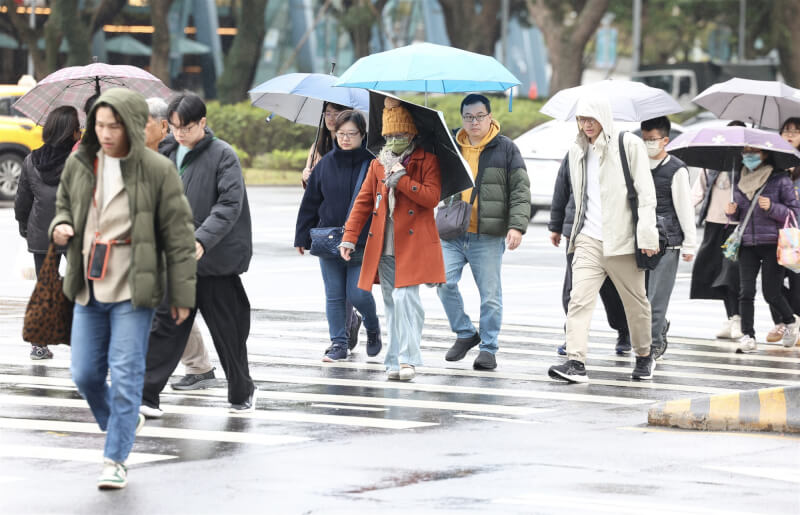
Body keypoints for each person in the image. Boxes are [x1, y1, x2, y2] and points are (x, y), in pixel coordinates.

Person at [50, 88, 196, 489]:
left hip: (135, 284)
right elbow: (63, 204)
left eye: (114, 126)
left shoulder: (156, 169)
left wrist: (182, 294)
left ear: (132, 125)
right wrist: (60, 225)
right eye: (100, 125)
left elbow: (179, 235)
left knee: (128, 373)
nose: (107, 133)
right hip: (88, 283)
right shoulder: (81, 163)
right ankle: (124, 420)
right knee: (84, 374)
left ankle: (115, 458)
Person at [142, 92, 256, 415]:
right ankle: (146, 394)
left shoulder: (223, 155)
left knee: (229, 331)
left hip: (214, 261)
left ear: (203, 123)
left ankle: (241, 390)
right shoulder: (165, 153)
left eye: (187, 128)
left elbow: (229, 205)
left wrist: (202, 240)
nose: (179, 134)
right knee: (166, 327)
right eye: (174, 127)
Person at [548, 95, 659, 383]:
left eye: (591, 118)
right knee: (579, 300)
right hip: (588, 239)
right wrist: (566, 230)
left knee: (636, 302)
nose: (586, 124)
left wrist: (647, 235)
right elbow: (575, 194)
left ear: (604, 119)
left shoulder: (628, 144)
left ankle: (645, 355)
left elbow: (646, 193)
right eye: (581, 119)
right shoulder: (577, 152)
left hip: (622, 240)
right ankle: (575, 362)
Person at [339, 97, 445, 381]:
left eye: (399, 135)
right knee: (391, 302)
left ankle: (408, 358)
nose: (394, 140)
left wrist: (404, 179)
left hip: (413, 243)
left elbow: (432, 198)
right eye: (389, 136)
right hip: (383, 243)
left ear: (411, 134)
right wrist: (349, 237)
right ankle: (394, 359)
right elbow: (363, 202)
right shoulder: (378, 164)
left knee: (406, 298)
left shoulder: (427, 160)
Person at [435, 94, 531, 370]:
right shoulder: (451, 144)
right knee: (443, 283)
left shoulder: (506, 148)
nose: (473, 122)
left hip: (487, 235)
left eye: (479, 116)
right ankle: (465, 333)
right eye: (468, 117)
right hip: (453, 232)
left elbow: (521, 191)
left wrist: (516, 226)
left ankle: (488, 348)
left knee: (490, 295)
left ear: (490, 116)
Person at [143, 97, 218, 394]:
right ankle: (198, 367)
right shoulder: (158, 152)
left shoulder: (195, 154)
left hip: (180, 242)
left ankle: (198, 368)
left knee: (170, 306)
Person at [295, 110, 381, 362]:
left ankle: (372, 327)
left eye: (351, 134)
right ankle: (338, 343)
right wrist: (302, 237)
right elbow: (310, 202)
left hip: (361, 241)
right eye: (340, 134)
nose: (344, 139)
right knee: (334, 295)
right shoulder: (325, 164)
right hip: (329, 240)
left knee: (358, 294)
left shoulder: (373, 164)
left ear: (362, 135)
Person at [549, 154, 632, 356]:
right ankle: (573, 338)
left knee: (614, 290)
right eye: (582, 121)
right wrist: (556, 225)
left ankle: (624, 330)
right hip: (578, 233)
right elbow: (562, 189)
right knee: (574, 290)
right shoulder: (575, 154)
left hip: (613, 233)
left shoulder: (621, 153)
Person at [15, 105, 80, 360]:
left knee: (45, 287)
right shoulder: (80, 160)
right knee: (81, 288)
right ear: (71, 132)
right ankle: (81, 340)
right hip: (76, 234)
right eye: (77, 127)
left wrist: (25, 228)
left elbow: (23, 201)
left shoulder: (32, 160)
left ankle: (39, 344)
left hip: (42, 235)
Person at [301, 101, 363, 351]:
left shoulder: (358, 149)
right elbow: (311, 194)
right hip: (325, 227)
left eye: (336, 114)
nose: (330, 118)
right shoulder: (318, 146)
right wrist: (306, 175)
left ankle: (348, 329)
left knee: (350, 288)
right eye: (327, 113)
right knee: (334, 288)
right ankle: (342, 335)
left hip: (352, 224)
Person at [726, 146, 800, 353]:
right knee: (746, 292)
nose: (748, 156)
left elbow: (794, 212)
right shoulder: (739, 180)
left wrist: (772, 207)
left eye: (754, 152)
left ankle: (790, 321)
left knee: (771, 292)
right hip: (747, 244)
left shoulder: (780, 180)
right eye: (745, 152)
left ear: (765, 154)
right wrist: (731, 213)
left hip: (773, 243)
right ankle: (748, 336)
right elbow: (740, 216)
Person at [640, 116, 697, 359]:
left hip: (668, 242)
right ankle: (658, 328)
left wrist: (689, 244)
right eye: (644, 140)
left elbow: (685, 208)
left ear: (665, 140)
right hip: (641, 240)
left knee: (656, 297)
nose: (648, 144)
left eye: (652, 140)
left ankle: (653, 343)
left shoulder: (676, 169)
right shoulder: (638, 165)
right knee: (640, 298)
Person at [690, 120, 745, 339]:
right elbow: (697, 193)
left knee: (731, 275)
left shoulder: (747, 166)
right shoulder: (711, 165)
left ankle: (738, 318)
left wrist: (737, 208)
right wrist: (680, 210)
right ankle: (731, 317)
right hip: (714, 226)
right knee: (713, 273)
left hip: (737, 228)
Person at [765, 117, 800, 344]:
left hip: (797, 232)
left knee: (796, 283)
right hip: (772, 231)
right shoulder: (771, 164)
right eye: (786, 130)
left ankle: (793, 322)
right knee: (771, 284)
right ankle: (783, 321)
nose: (790, 135)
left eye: (796, 132)